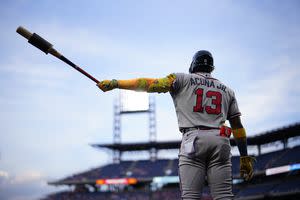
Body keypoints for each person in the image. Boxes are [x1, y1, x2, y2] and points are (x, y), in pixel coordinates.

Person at [97, 50, 255, 200]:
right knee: (224, 196)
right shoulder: (228, 90)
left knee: (190, 196)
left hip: (194, 140)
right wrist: (244, 156)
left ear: (193, 65)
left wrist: (116, 83)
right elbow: (237, 127)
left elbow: (147, 83)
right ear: (211, 68)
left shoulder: (181, 79)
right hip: (220, 139)